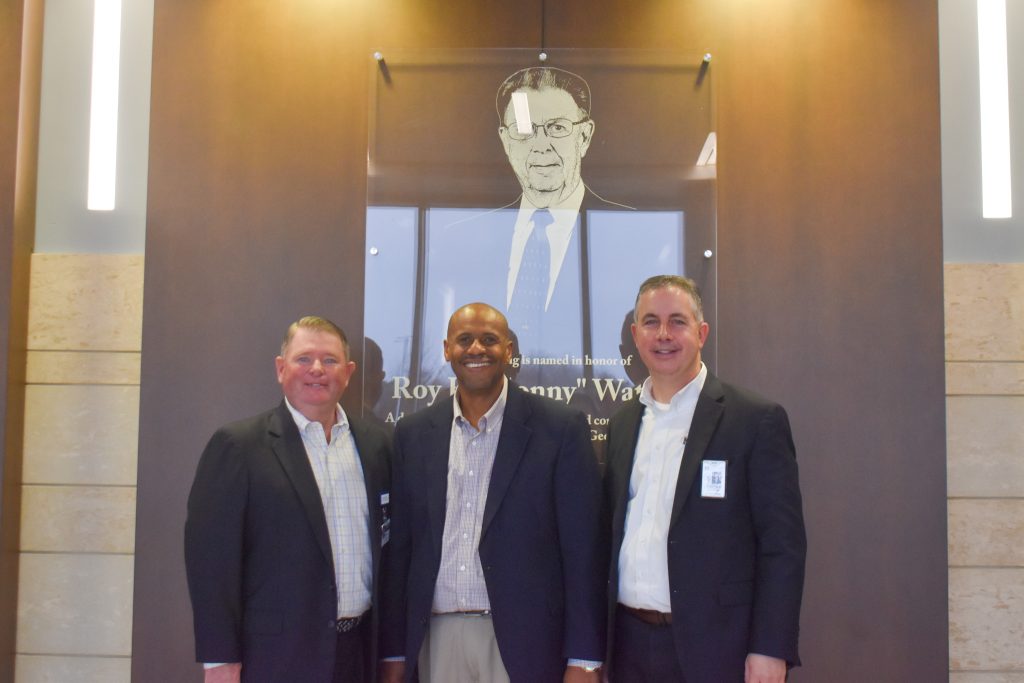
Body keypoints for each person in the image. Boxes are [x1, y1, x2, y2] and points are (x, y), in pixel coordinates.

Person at [379, 302, 606, 683]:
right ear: (447, 349)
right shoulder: (414, 434)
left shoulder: (560, 428)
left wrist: (584, 659)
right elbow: (401, 551)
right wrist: (394, 651)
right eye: (464, 340)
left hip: (525, 641)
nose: (476, 349)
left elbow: (583, 552)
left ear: (509, 351)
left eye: (489, 340)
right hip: (437, 639)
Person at [605, 276, 806, 683]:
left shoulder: (753, 420)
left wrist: (770, 647)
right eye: (650, 322)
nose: (663, 334)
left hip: (717, 649)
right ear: (635, 335)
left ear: (701, 333)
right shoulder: (623, 422)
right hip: (628, 646)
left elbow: (781, 546)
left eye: (677, 321)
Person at [184, 316, 392, 682]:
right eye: (303, 359)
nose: (317, 369)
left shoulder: (377, 445)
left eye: (329, 360)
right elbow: (211, 564)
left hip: (358, 654)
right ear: (281, 369)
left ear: (348, 371)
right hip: (274, 658)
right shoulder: (239, 446)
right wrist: (219, 660)